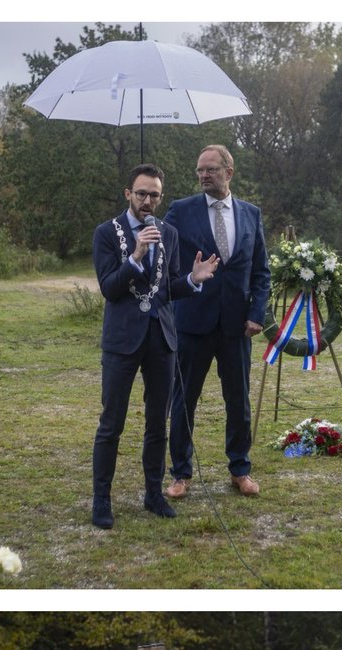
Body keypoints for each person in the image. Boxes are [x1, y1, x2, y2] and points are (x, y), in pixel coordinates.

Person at [90, 163, 220, 529]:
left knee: (157, 424)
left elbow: (165, 289)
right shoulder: (105, 233)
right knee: (111, 424)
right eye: (142, 193)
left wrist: (192, 280)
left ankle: (153, 494)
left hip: (162, 339)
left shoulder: (169, 233)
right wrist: (135, 257)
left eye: (155, 195)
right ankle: (102, 499)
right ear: (127, 193)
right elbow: (109, 288)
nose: (148, 201)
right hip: (121, 341)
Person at [164, 145, 270, 502]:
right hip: (192, 321)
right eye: (199, 170)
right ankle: (180, 473)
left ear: (229, 171)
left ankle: (240, 468)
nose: (203, 175)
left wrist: (257, 313)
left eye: (210, 169)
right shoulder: (180, 211)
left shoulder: (251, 214)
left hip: (236, 326)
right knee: (183, 400)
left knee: (238, 400)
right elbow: (165, 259)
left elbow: (261, 272)